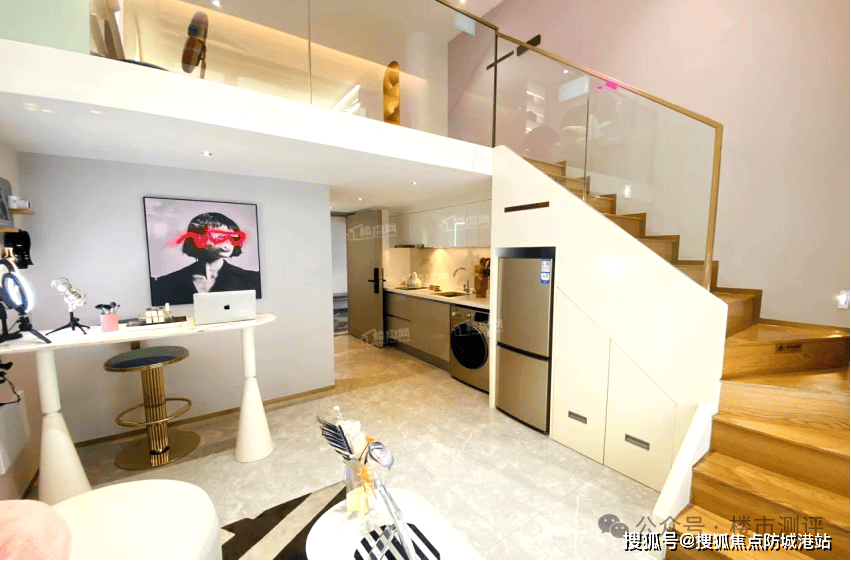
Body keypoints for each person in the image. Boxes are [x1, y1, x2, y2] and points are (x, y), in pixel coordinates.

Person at [150, 212, 261, 305]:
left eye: (232, 238)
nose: (228, 243)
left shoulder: (252, 279)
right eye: (220, 237)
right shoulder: (164, 284)